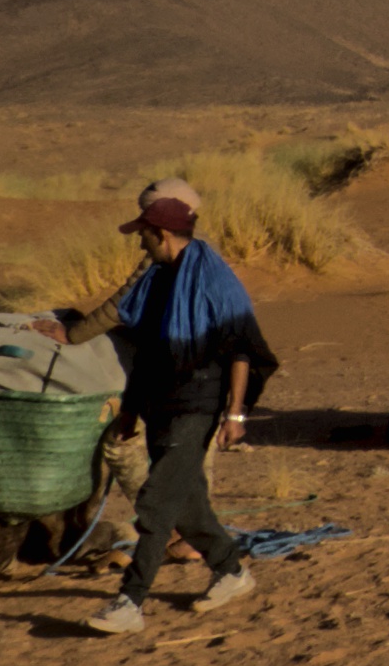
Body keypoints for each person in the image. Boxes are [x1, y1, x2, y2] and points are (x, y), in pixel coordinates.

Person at [82, 180, 279, 635]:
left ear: (161, 234)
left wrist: (235, 415)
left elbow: (241, 348)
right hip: (160, 401)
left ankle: (130, 601)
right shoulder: (158, 280)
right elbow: (147, 354)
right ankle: (231, 571)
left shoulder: (214, 279)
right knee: (187, 504)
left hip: (199, 402)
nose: (140, 244)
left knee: (157, 501)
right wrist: (130, 410)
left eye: (143, 235)